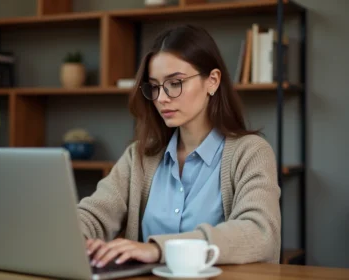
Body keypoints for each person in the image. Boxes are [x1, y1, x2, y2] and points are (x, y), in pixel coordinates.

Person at [77, 24, 281, 268]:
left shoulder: (251, 152)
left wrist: (158, 249)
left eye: (175, 83)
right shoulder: (140, 157)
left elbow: (259, 232)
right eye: (154, 86)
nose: (162, 98)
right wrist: (75, 238)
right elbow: (94, 214)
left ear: (212, 81)